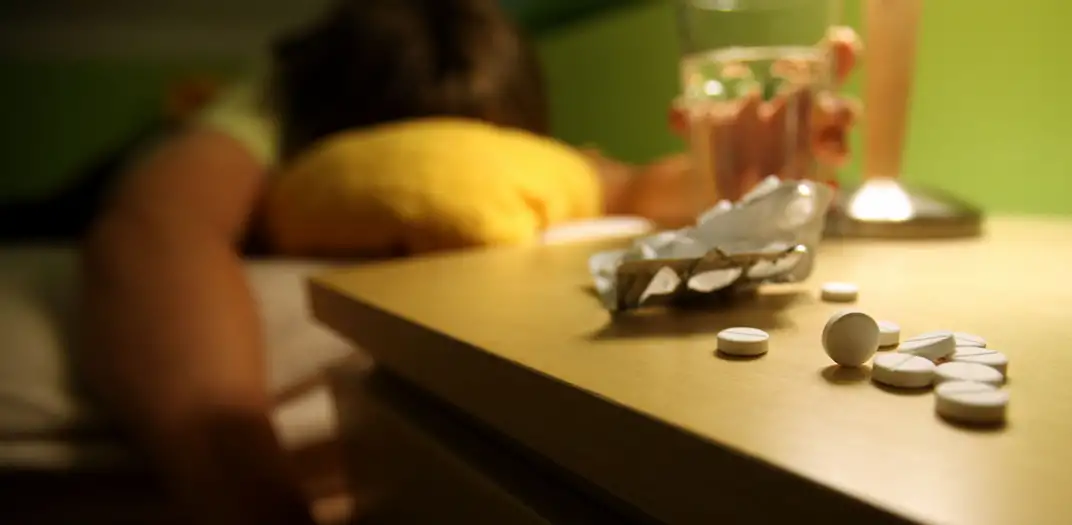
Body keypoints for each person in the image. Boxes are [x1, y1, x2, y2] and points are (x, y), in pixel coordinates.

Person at [78, 0, 861, 522]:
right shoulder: (266, 104)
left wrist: (740, 176)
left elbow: (615, 181)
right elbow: (156, 229)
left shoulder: (503, 111)